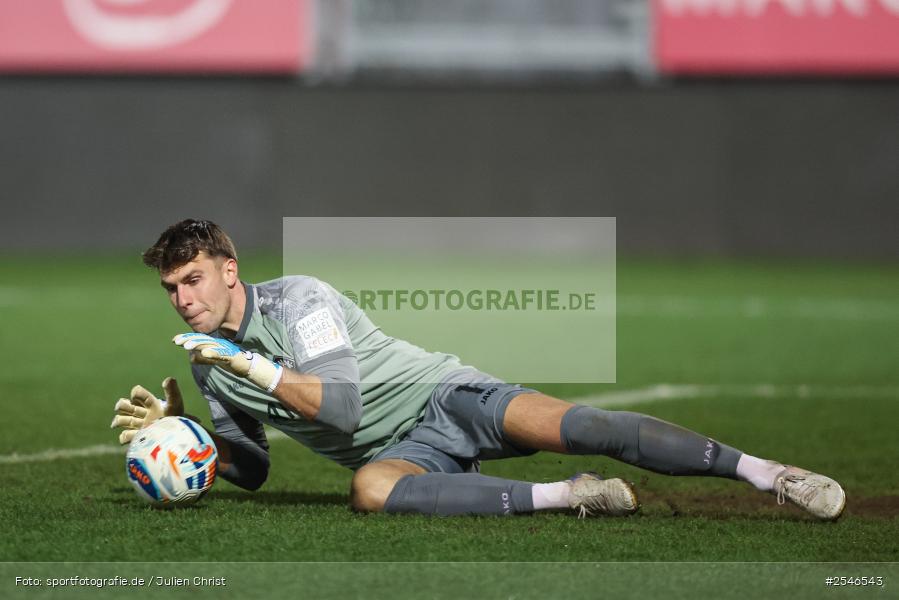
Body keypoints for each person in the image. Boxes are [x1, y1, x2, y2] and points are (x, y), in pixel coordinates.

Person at [111, 219, 846, 519]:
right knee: (369, 490)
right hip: (402, 453)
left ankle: (765, 472)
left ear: (229, 270)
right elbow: (255, 468)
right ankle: (571, 497)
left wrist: (246, 364)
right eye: (172, 288)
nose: (183, 300)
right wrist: (189, 438)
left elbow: (336, 410)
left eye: (193, 280)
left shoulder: (300, 300)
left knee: (580, 423)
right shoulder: (210, 366)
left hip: (446, 397)